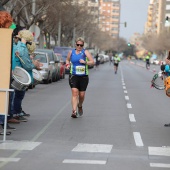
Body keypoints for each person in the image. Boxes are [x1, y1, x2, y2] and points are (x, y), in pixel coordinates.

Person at [66, 37, 94, 118]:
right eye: (78, 45)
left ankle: (80, 105)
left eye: (81, 45)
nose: (79, 46)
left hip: (83, 76)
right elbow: (67, 60)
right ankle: (74, 111)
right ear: (75, 44)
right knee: (74, 92)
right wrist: (67, 65)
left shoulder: (85, 52)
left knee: (81, 95)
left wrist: (85, 62)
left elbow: (92, 62)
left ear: (83, 45)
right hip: (73, 75)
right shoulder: (71, 52)